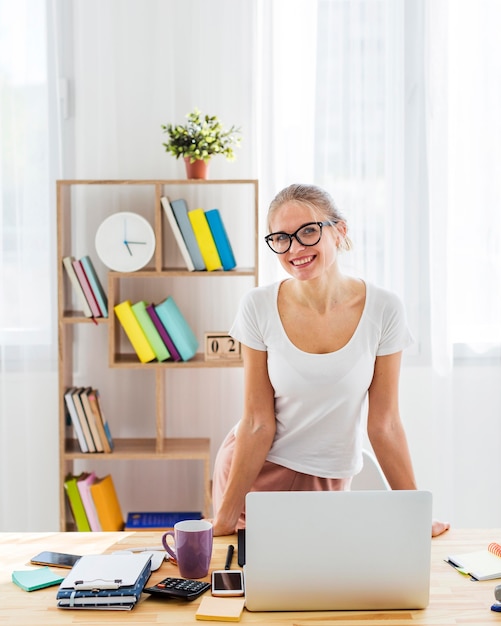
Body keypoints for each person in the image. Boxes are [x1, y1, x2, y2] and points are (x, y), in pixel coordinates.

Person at [211, 183, 449, 538]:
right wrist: (225, 518)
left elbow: (384, 424)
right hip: (254, 473)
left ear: (339, 231)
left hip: (330, 478)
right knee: (248, 588)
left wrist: (414, 509)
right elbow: (258, 422)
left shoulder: (383, 309)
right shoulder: (258, 306)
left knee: (327, 587)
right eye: (281, 238)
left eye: (308, 231)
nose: (295, 249)